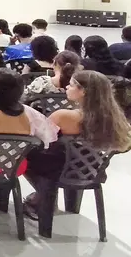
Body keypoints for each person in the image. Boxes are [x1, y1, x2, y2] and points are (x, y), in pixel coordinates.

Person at [23, 71, 131, 218]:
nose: (67, 87)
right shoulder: (116, 120)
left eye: (71, 85)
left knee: (24, 156)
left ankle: (44, 196)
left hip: (57, 170)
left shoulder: (64, 116)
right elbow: (123, 147)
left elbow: (40, 139)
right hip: (91, 170)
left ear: (83, 91)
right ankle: (54, 201)